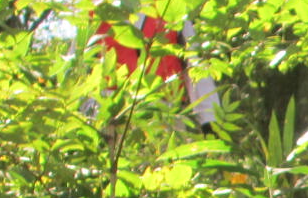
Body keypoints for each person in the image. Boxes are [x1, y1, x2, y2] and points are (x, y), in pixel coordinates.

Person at [92, 11, 220, 134]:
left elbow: (194, 61)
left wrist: (209, 117)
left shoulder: (173, 8)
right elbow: (80, 65)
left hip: (164, 112)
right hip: (110, 111)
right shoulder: (96, 9)